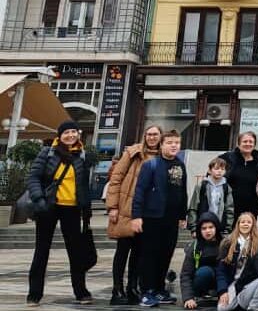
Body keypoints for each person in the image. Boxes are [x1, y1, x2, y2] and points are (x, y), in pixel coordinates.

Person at [26, 119, 93, 306]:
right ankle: (34, 294)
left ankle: (81, 292)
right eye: (66, 132)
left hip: (71, 209)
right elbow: (33, 177)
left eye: (74, 132)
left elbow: (83, 185)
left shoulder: (82, 155)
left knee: (76, 252)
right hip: (49, 207)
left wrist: (86, 208)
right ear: (60, 135)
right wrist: (39, 199)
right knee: (42, 251)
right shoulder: (47, 153)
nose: (71, 135)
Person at [106, 124, 163, 305]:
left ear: (161, 137)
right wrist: (112, 206)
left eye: (155, 135)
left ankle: (132, 288)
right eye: (149, 134)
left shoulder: (163, 157)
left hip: (148, 212)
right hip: (126, 209)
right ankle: (117, 289)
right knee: (123, 250)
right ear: (144, 136)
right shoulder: (132, 153)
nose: (152, 138)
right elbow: (116, 179)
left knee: (140, 252)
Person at [132, 129, 188, 307]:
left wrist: (182, 215)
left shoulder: (180, 164)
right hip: (152, 217)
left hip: (171, 220)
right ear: (162, 145)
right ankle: (147, 291)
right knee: (150, 255)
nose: (174, 146)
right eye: (170, 142)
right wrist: (136, 216)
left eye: (177, 143)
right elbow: (140, 191)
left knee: (166, 254)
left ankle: (159, 289)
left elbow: (182, 191)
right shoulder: (151, 165)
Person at [215, 212, 258, 311]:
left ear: (253, 225)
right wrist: (223, 291)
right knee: (222, 308)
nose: (245, 224)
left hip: (249, 281)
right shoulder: (227, 243)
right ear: (238, 224)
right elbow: (221, 270)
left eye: (249, 222)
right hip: (233, 281)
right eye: (242, 222)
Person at [181, 212, 224, 309]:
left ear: (216, 227)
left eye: (211, 227)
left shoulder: (225, 244)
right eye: (204, 228)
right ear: (199, 230)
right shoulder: (195, 247)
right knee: (205, 272)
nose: (208, 231)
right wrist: (188, 298)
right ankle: (201, 294)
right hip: (200, 280)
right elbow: (186, 274)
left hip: (222, 281)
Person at [219, 131, 258, 218]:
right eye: (245, 141)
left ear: (254, 144)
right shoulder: (227, 158)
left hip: (251, 206)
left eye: (251, 142)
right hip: (229, 207)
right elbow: (212, 173)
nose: (248, 144)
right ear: (239, 143)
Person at [188, 157, 235, 235]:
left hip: (220, 226)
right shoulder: (201, 186)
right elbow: (193, 207)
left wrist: (228, 227)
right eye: (216, 169)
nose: (219, 171)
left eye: (222, 169)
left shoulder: (226, 187)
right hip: (203, 226)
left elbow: (230, 209)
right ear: (209, 170)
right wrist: (193, 228)